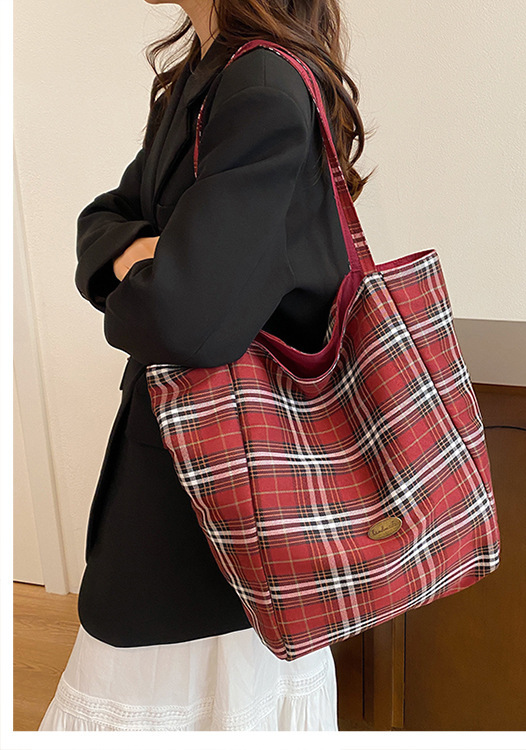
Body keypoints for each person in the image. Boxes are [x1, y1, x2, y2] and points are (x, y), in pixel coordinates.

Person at [39, 0, 371, 731]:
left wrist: (149, 263)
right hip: (208, 469)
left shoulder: (259, 86)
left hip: (222, 484)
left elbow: (186, 317)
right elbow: (102, 216)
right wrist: (140, 253)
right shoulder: (206, 73)